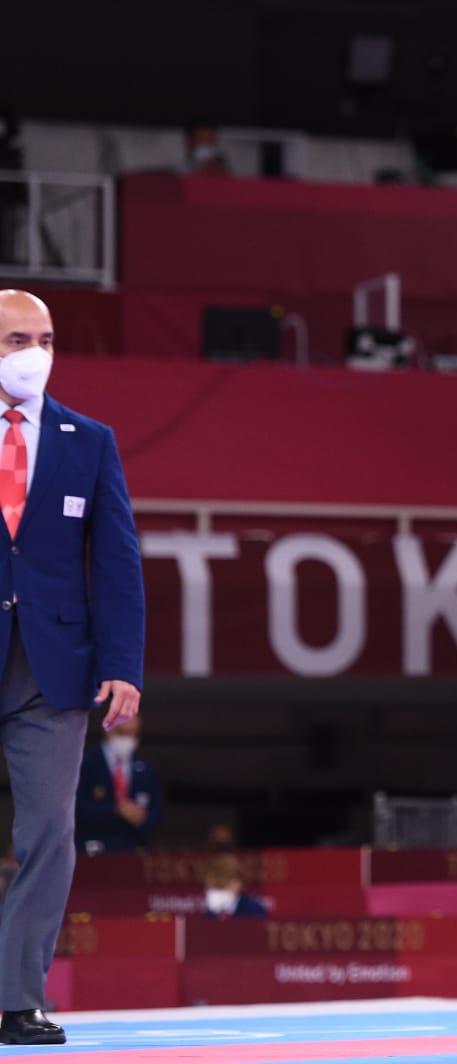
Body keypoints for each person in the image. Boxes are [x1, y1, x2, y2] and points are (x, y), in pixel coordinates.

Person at [0, 290, 144, 1047]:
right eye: (18, 337)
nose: (35, 351)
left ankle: (18, 999)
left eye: (46, 338)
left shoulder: (87, 440)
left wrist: (123, 664)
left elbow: (117, 562)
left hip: (53, 665)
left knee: (49, 832)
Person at [75, 716, 163, 853]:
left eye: (134, 733)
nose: (129, 739)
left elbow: (157, 812)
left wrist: (141, 816)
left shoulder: (145, 769)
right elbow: (74, 809)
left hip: (132, 849)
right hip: (92, 851)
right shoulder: (85, 764)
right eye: (123, 732)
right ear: (108, 729)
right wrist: (115, 810)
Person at [200, 853, 268, 919]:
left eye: (220, 887)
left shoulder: (255, 912)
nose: (214, 893)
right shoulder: (208, 914)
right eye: (210, 888)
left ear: (237, 884)